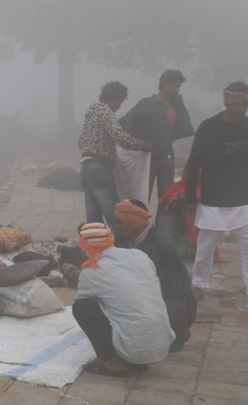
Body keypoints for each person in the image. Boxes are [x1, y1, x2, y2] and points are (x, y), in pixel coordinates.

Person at [185, 82, 248, 317]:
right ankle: (199, 285)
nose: (239, 109)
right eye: (235, 104)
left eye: (244, 104)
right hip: (213, 200)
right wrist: (189, 197)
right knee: (205, 249)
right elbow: (193, 163)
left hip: (246, 201)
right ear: (227, 102)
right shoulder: (209, 127)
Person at [72, 223, 175, 377]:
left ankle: (113, 363)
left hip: (134, 348)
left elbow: (82, 298)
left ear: (84, 245)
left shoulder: (92, 271)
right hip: (161, 344)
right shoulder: (139, 255)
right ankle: (137, 361)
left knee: (81, 307)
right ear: (111, 238)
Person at [115, 199, 197, 352]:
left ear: (133, 221)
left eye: (120, 222)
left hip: (173, 300)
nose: (117, 226)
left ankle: (178, 330)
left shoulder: (162, 247)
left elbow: (172, 290)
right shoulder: (119, 242)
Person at [78, 81, 152, 236]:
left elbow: (81, 142)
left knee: (93, 221)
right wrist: (141, 145)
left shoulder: (91, 114)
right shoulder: (106, 112)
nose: (120, 106)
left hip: (85, 168)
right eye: (121, 101)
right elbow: (119, 136)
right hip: (100, 169)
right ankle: (120, 251)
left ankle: (94, 252)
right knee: (115, 218)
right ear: (117, 99)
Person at [121, 69, 194, 204]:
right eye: (175, 86)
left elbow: (186, 129)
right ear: (165, 84)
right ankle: (141, 224)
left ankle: (163, 225)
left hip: (167, 158)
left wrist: (180, 103)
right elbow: (128, 122)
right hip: (147, 159)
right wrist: (135, 145)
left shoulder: (174, 105)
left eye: (179, 86)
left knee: (166, 200)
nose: (178, 90)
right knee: (142, 198)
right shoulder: (147, 104)